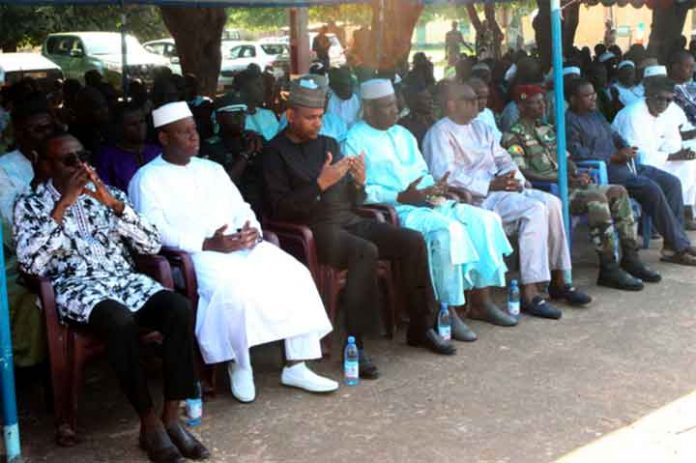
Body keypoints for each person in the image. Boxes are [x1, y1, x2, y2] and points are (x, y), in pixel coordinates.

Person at [14, 131, 209, 462]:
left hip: (123, 280)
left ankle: (171, 419)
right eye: (69, 160)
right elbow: (30, 263)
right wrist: (63, 205)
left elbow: (150, 244)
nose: (80, 166)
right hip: (77, 288)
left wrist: (115, 206)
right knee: (119, 321)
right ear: (46, 165)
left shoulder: (109, 194)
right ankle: (149, 423)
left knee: (178, 307)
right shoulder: (29, 204)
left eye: (83, 157)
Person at [128, 102, 338, 404]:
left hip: (240, 245)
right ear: (164, 138)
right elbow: (154, 231)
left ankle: (297, 365)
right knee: (236, 290)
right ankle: (240, 364)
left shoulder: (212, 169)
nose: (194, 137)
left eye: (194, 130)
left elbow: (241, 207)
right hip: (195, 256)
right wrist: (207, 244)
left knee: (296, 274)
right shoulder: (147, 178)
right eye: (184, 132)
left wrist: (251, 229)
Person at [264, 75, 457, 378]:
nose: (318, 123)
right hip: (313, 230)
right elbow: (279, 209)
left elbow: (353, 200)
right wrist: (319, 185)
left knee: (412, 241)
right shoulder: (273, 153)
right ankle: (355, 345)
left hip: (348, 219)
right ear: (291, 116)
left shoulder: (328, 144)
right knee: (364, 251)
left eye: (320, 117)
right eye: (311, 118)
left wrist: (358, 182)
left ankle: (421, 327)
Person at [345, 79, 517, 341]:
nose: (395, 110)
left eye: (395, 104)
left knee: (484, 219)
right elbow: (360, 191)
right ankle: (446, 312)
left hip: (427, 201)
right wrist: (400, 196)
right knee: (447, 232)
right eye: (387, 106)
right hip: (396, 210)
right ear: (368, 109)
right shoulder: (353, 140)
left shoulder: (403, 134)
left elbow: (422, 172)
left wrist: (434, 189)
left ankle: (482, 302)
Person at [423, 82, 592, 319]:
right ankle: (530, 292)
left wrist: (515, 180)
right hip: (475, 199)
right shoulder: (439, 133)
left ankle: (559, 280)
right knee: (534, 210)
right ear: (451, 105)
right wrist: (492, 185)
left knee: (552, 203)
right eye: (470, 101)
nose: (477, 105)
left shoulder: (481, 128)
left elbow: (504, 159)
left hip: (501, 190)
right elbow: (444, 176)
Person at [500, 84, 659, 290]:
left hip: (569, 184)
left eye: (542, 101)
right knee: (597, 200)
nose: (542, 106)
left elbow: (566, 158)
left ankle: (630, 258)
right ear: (521, 106)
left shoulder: (547, 129)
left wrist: (575, 172)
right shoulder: (512, 136)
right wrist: (562, 179)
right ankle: (609, 267)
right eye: (535, 102)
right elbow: (523, 172)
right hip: (548, 190)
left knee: (618, 192)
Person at [566, 78, 696, 266]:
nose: (593, 98)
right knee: (651, 188)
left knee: (672, 183)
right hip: (605, 170)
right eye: (587, 96)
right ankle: (680, 246)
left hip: (627, 164)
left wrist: (626, 148)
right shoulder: (570, 122)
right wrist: (612, 157)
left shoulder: (596, 115)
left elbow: (614, 136)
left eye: (593, 94)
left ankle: (672, 246)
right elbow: (577, 153)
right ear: (573, 99)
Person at [0, 93, 56, 369]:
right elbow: (12, 225)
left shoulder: (64, 156)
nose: (45, 135)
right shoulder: (4, 168)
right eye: (37, 130)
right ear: (20, 132)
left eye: (49, 128)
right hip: (25, 252)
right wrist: (38, 180)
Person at [612, 76, 696, 229]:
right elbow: (636, 155)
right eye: (659, 98)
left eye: (668, 100)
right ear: (648, 94)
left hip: (657, 161)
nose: (664, 104)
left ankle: (683, 212)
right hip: (631, 167)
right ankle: (665, 224)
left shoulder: (667, 112)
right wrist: (672, 156)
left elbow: (672, 143)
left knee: (690, 165)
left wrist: (683, 153)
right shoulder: (633, 115)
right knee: (672, 180)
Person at [200, 93, 265, 215]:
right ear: (219, 117)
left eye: (243, 114)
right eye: (234, 113)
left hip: (260, 207)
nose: (241, 118)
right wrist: (246, 154)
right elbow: (225, 185)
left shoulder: (253, 139)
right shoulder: (210, 147)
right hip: (229, 210)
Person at [96, 102, 159, 192]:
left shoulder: (156, 151)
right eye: (133, 124)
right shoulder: (107, 157)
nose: (140, 127)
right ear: (120, 127)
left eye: (142, 122)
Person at [237, 70, 280, 142]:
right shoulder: (234, 119)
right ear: (244, 89)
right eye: (258, 85)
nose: (263, 88)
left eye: (263, 85)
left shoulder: (269, 114)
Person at [398, 79, 437, 150]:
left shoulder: (434, 121)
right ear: (415, 101)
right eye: (426, 99)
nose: (431, 102)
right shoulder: (404, 125)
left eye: (430, 99)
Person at [469, 77, 502, 143]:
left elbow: (497, 135)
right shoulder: (466, 120)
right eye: (479, 98)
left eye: (486, 97)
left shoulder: (488, 113)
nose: (484, 101)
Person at [669, 50, 696, 127]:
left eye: (693, 66)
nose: (692, 70)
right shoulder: (666, 90)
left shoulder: (693, 86)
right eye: (688, 66)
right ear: (675, 67)